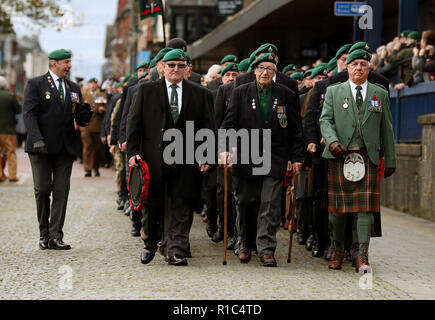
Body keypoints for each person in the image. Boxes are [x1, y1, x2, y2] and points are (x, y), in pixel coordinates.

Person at [127, 49, 215, 266]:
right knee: (153, 205)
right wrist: (133, 153)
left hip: (186, 159)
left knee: (181, 203)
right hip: (153, 159)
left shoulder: (201, 94)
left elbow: (209, 127)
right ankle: (151, 242)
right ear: (163, 67)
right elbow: (133, 124)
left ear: (186, 69)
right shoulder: (146, 91)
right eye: (172, 65)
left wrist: (207, 154)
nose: (176, 69)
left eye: (180, 65)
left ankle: (176, 249)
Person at [220, 53, 304, 267]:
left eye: (269, 68)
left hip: (275, 156)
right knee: (246, 202)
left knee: (270, 203)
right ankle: (246, 242)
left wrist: (296, 157)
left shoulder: (285, 94)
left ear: (275, 72)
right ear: (254, 70)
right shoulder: (240, 93)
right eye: (260, 68)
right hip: (246, 155)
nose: (264, 72)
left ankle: (266, 249)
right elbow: (228, 124)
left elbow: (295, 128)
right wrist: (225, 149)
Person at [319, 49, 396, 273]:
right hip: (339, 156)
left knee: (366, 210)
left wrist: (390, 159)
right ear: (347, 68)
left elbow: (387, 128)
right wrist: (332, 141)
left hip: (368, 156)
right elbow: (325, 120)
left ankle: (363, 255)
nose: (359, 68)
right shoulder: (333, 92)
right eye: (355, 64)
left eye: (363, 64)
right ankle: (338, 251)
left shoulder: (379, 93)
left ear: (370, 68)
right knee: (337, 210)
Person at [23, 49, 84, 250]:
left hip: (65, 148)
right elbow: (29, 114)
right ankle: (43, 233)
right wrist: (37, 139)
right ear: (53, 63)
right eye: (66, 62)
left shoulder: (74, 88)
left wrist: (85, 117)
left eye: (70, 62)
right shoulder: (35, 84)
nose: (69, 66)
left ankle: (55, 235)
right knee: (42, 190)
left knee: (61, 191)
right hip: (41, 147)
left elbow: (78, 116)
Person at [80, 78, 108, 177]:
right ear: (88, 84)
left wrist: (102, 109)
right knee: (87, 147)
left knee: (97, 148)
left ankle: (95, 167)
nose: (93, 85)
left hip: (98, 125)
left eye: (95, 83)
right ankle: (88, 169)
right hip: (86, 126)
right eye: (91, 83)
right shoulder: (84, 96)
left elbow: (106, 108)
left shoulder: (101, 95)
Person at [0, 76, 22, 182]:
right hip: (8, 129)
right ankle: (12, 176)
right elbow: (18, 110)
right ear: (5, 85)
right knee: (11, 152)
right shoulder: (10, 96)